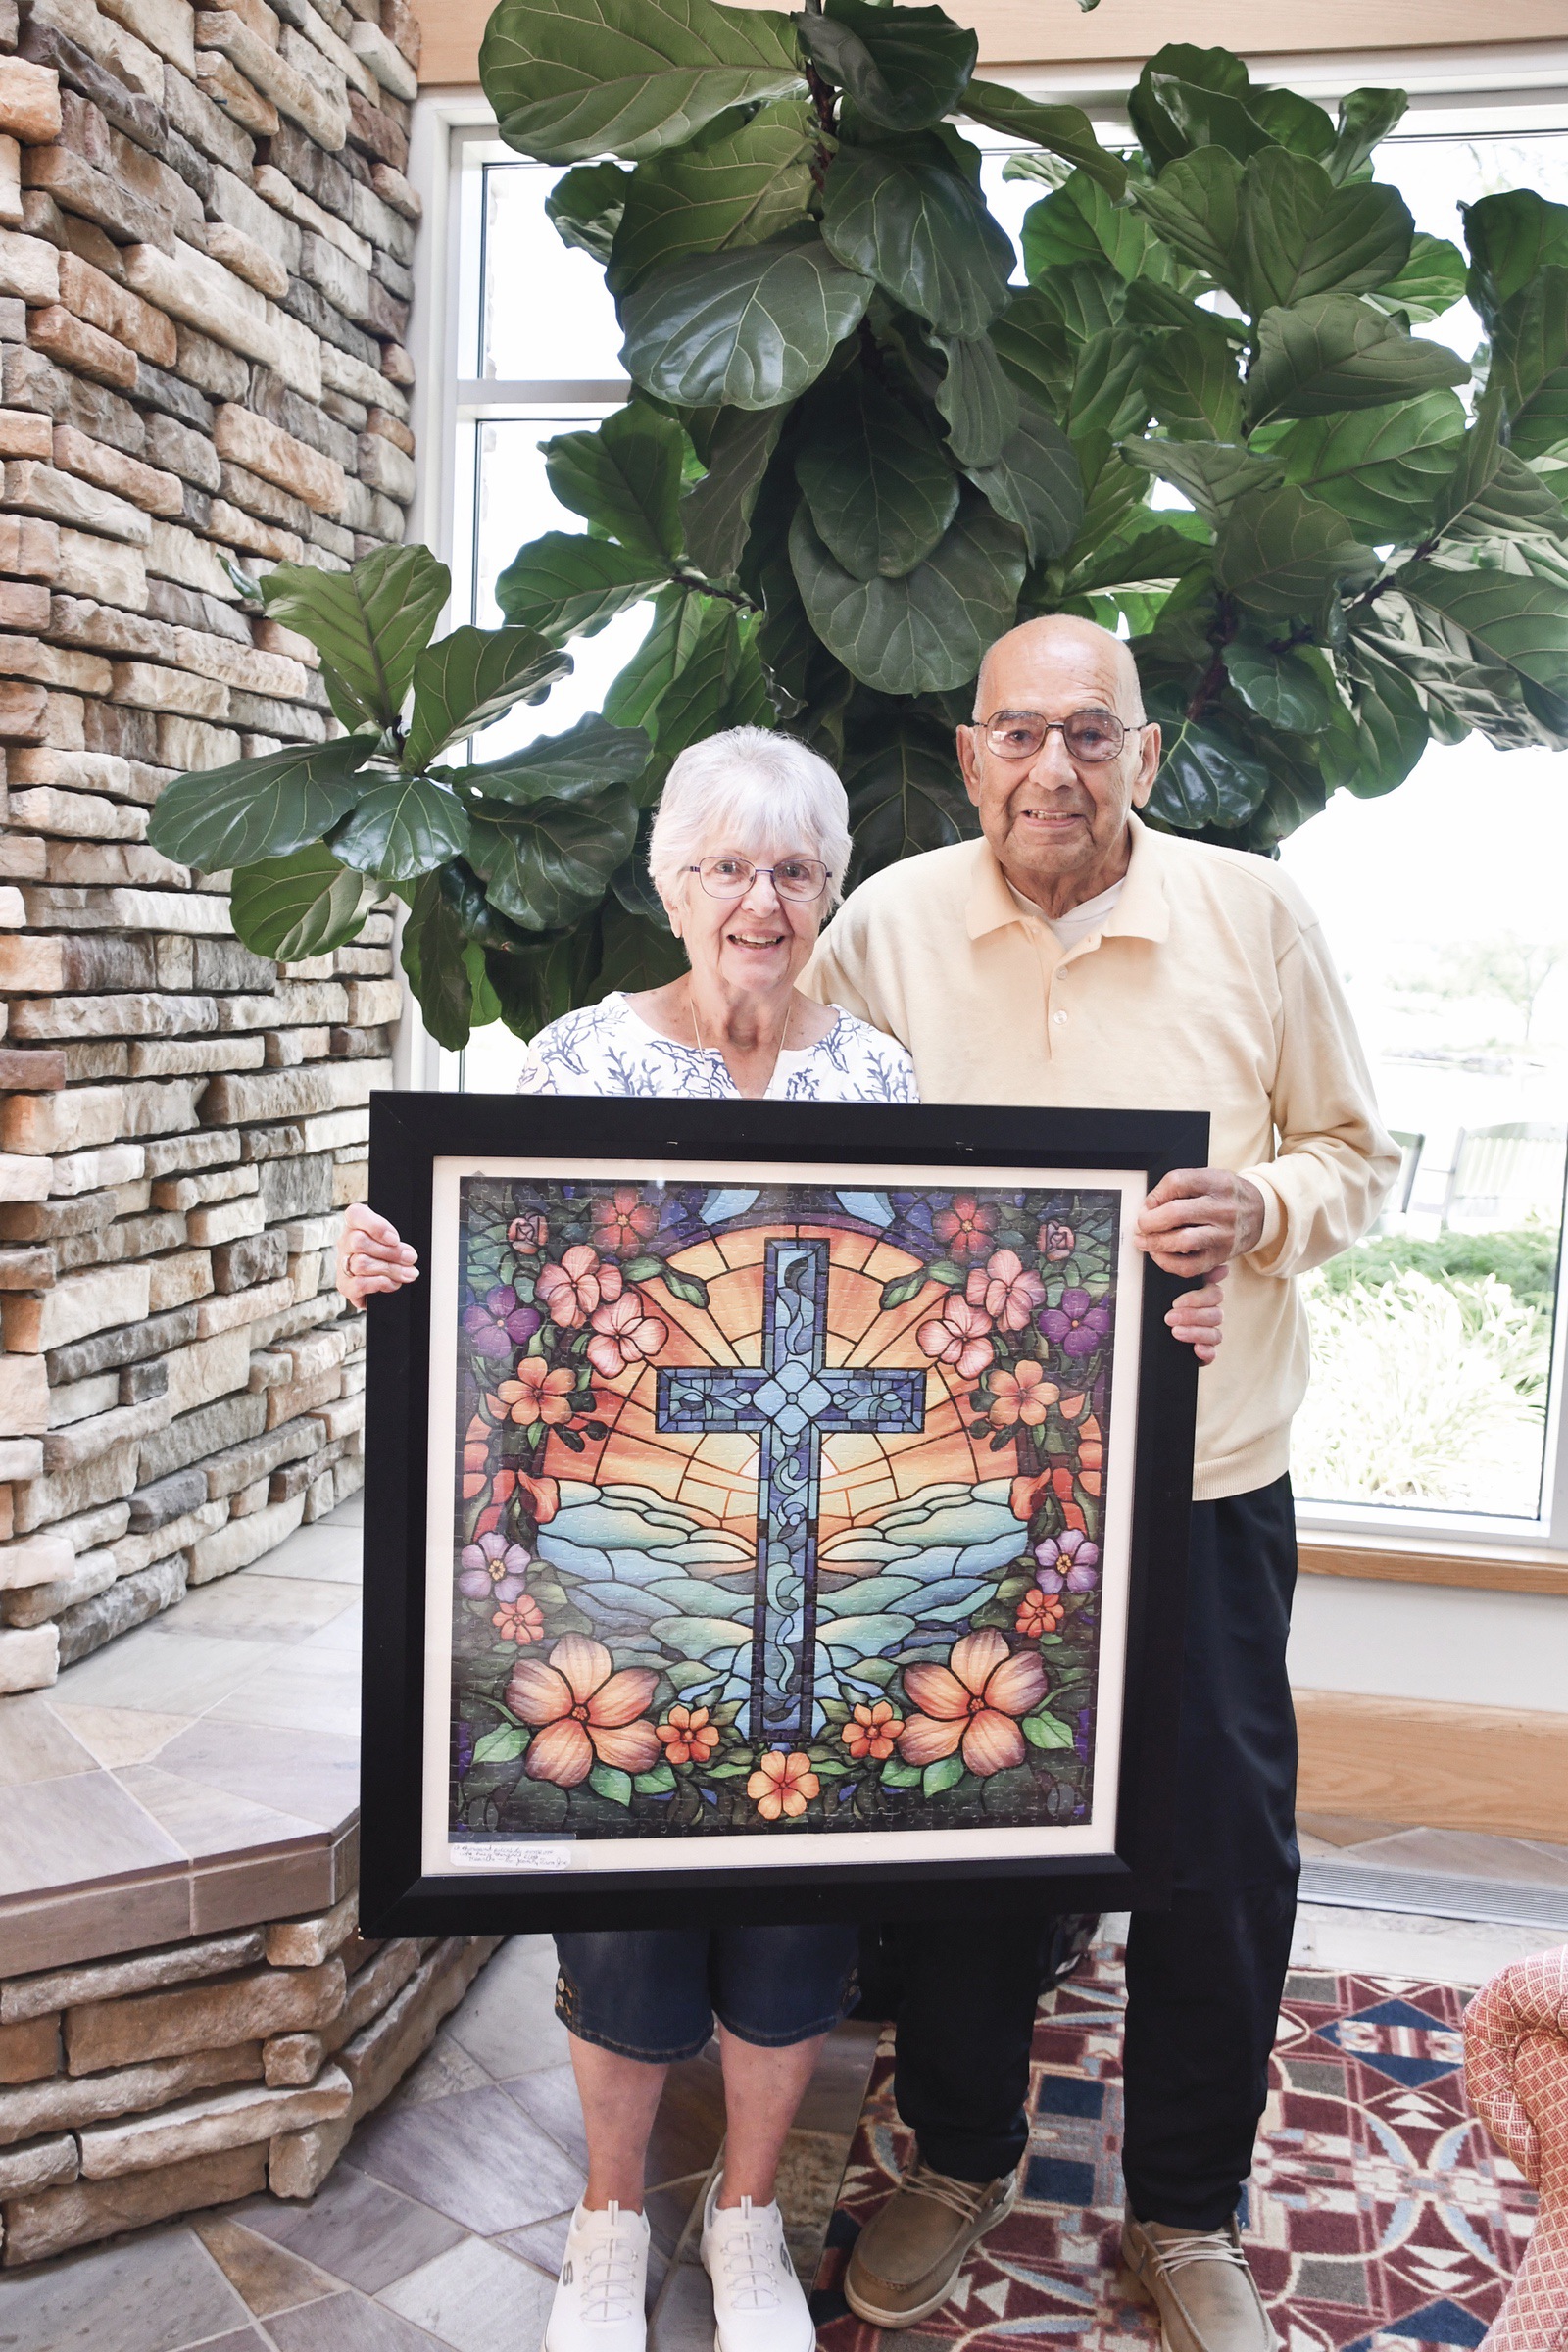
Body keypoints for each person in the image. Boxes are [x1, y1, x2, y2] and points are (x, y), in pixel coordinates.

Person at [339, 722, 1226, 2352]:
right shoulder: (581, 1061)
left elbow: (945, 1309)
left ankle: (747, 2218)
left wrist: (1144, 1330)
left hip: (841, 1585)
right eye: (728, 867)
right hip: (632, 1567)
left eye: (796, 869)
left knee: (796, 1905)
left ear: (828, 891)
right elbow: (499, 1286)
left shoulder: (869, 1072)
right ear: (670, 884)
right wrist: (400, 1270)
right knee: (623, 1913)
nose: (763, 898)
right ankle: (610, 2220)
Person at [803, 614, 1397, 2352]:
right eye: (1017, 735)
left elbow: (1356, 1158)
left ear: (1145, 755)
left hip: (1205, 1479)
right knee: (976, 1847)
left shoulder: (1253, 914)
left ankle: (1193, 2209)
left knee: (1218, 1858)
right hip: (961, 1501)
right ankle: (961, 2157)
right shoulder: (888, 925)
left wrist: (1260, 1213)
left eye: (1090, 735)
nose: (1051, 769)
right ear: (969, 747)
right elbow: (787, 1156)